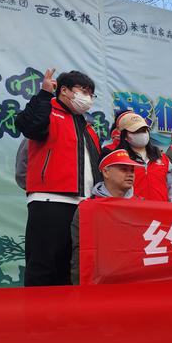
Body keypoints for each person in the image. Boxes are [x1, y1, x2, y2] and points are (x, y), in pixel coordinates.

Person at [14, 68, 102, 286]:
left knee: (72, 269)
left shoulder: (88, 129)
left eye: (91, 94)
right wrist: (44, 94)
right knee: (44, 268)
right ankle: (37, 309)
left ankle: (68, 310)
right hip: (50, 201)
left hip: (84, 207)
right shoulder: (47, 113)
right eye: (83, 91)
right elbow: (28, 126)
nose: (88, 98)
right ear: (64, 90)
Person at [70, 149, 140, 285]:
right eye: (123, 169)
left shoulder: (141, 206)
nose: (130, 174)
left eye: (132, 170)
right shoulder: (88, 209)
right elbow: (80, 254)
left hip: (133, 283)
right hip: (100, 285)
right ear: (106, 172)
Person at [114, 112, 172, 203]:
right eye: (136, 131)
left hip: (162, 210)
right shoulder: (119, 160)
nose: (142, 134)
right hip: (132, 210)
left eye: (144, 130)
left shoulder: (162, 158)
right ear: (125, 136)